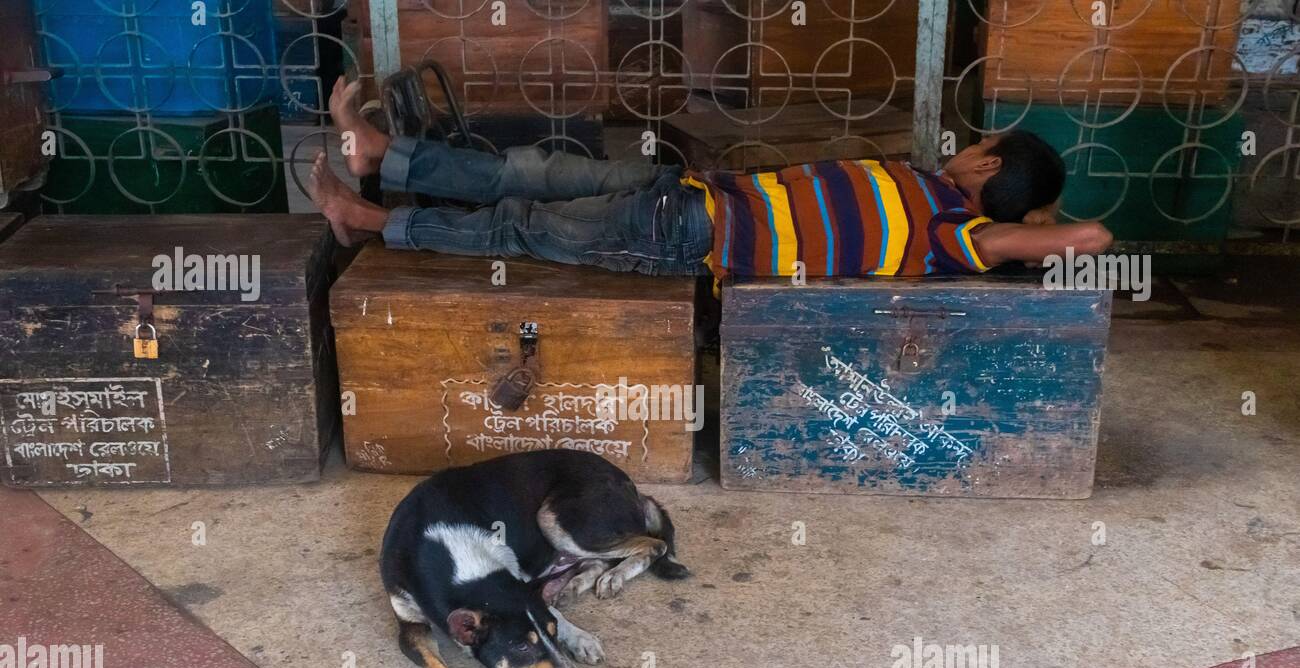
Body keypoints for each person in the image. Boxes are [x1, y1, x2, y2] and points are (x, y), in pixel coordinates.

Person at [309, 77, 1113, 281]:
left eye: (982, 146)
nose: (967, 147)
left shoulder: (958, 236)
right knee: (536, 170)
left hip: (689, 235)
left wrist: (1040, 220)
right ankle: (386, 156)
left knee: (520, 226)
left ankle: (370, 219)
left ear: (990, 166)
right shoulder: (924, 187)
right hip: (693, 193)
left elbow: (1092, 236)